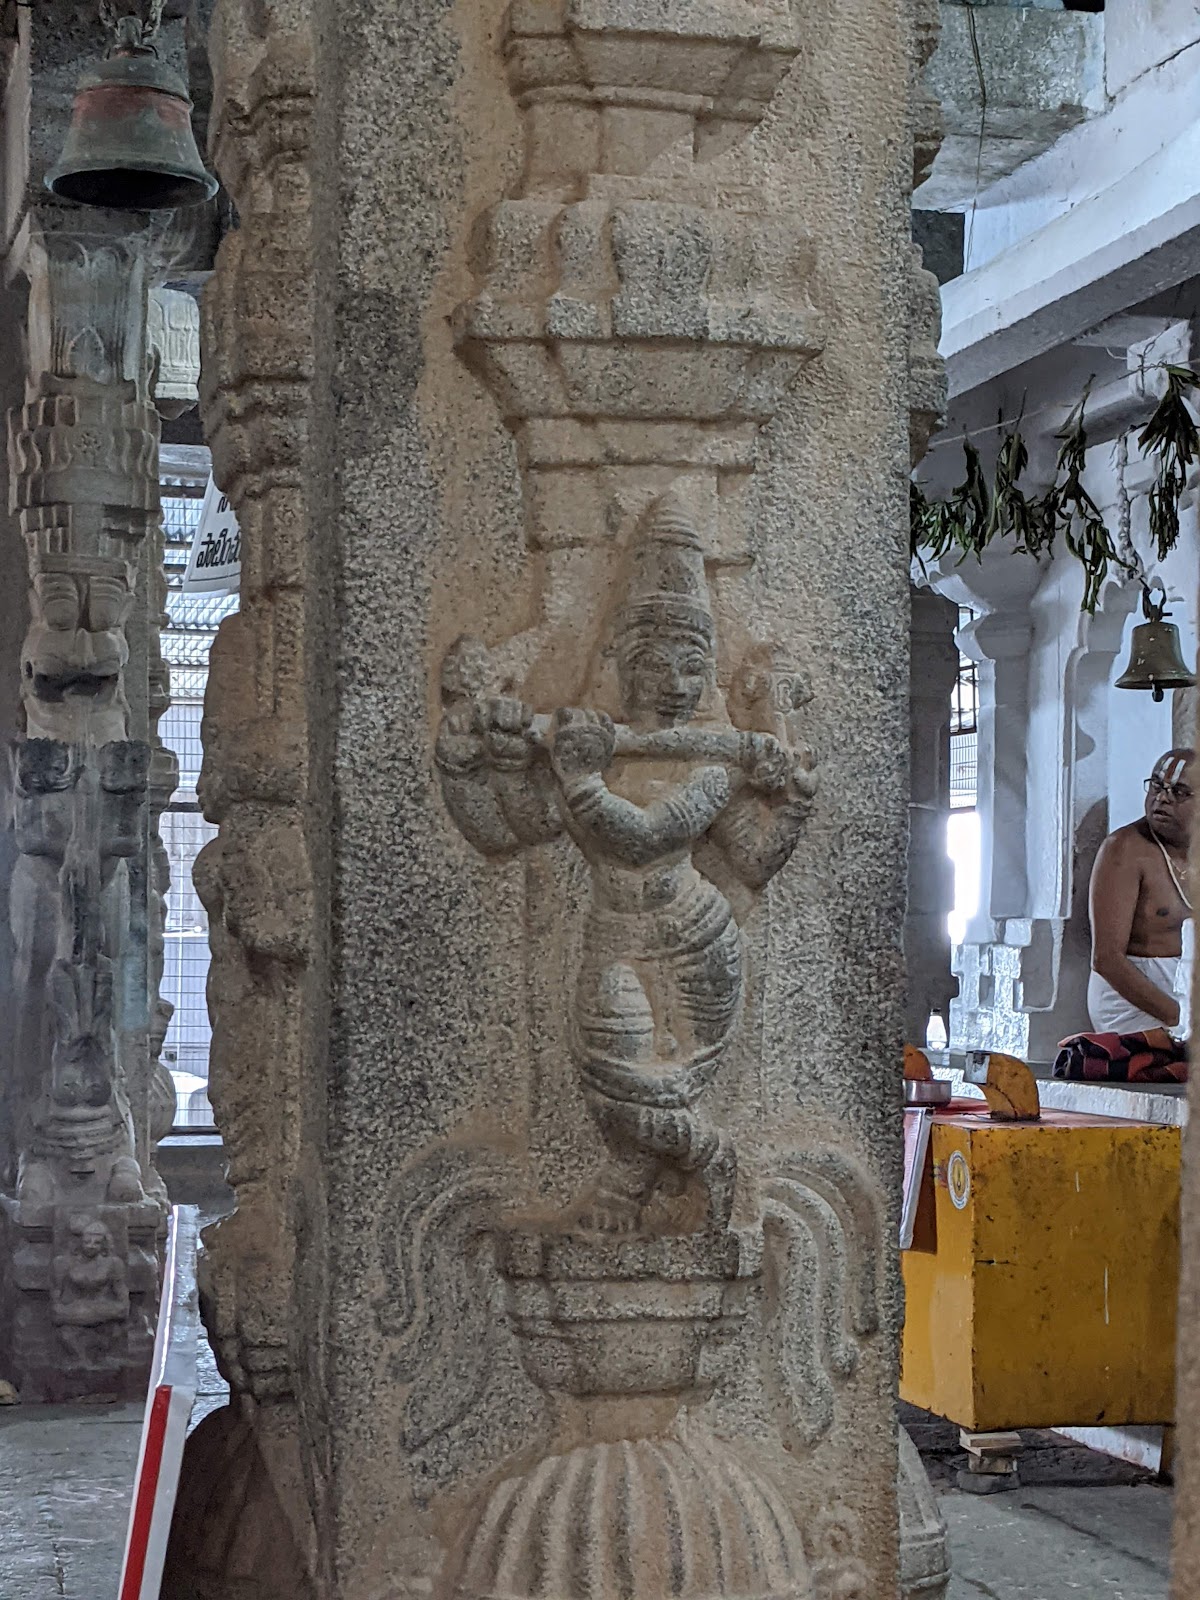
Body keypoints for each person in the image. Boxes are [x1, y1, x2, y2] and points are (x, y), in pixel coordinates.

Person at [1088, 748, 1195, 1036]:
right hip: (1131, 1006)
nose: (1162, 798)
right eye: (1157, 786)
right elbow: (1106, 959)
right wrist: (1180, 1017)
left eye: (1180, 792)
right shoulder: (1124, 849)